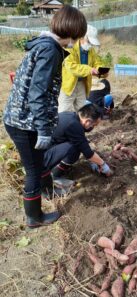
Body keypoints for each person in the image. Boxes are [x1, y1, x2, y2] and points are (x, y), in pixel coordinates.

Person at [3, 5, 87, 229]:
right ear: (72, 31)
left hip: (23, 119)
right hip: (23, 122)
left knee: (39, 161)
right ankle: (34, 217)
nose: (77, 40)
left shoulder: (45, 45)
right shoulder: (50, 50)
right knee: (33, 169)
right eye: (77, 35)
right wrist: (42, 127)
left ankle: (49, 191)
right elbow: (37, 93)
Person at [45, 103, 113, 180]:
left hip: (43, 149)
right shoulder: (73, 125)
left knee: (79, 144)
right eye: (93, 125)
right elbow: (88, 153)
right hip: (42, 157)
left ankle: (57, 168)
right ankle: (55, 174)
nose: (92, 128)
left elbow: (82, 141)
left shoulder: (70, 116)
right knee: (75, 148)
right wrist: (103, 165)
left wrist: (94, 160)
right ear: (87, 121)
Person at [58, 24, 104, 113]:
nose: (90, 45)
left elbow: (96, 63)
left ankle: (79, 127)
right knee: (64, 110)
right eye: (89, 42)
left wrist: (100, 70)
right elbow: (71, 66)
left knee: (82, 110)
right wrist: (89, 70)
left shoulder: (91, 51)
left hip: (82, 83)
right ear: (82, 37)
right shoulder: (70, 47)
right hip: (68, 84)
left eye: (91, 43)